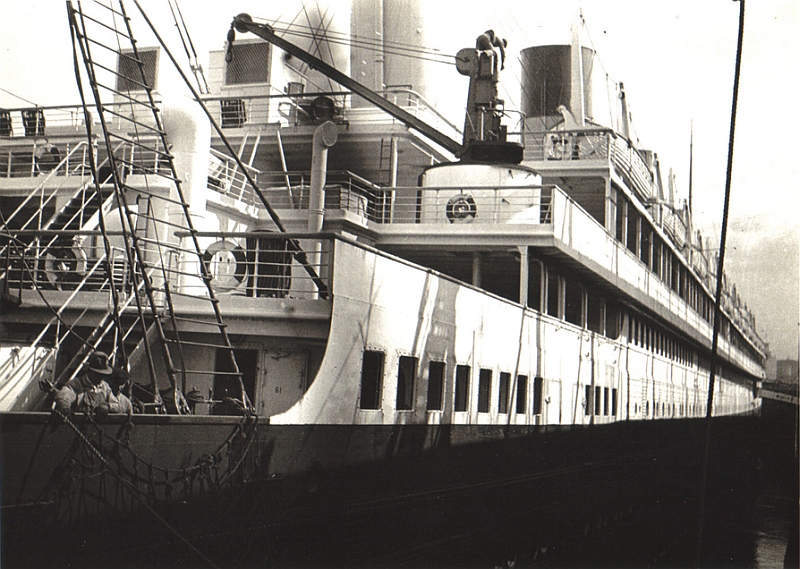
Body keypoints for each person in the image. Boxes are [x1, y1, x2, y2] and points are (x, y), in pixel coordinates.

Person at [55, 351, 132, 418]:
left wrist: (107, 407)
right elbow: (65, 394)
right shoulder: (76, 384)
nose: (100, 378)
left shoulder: (105, 387)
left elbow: (118, 405)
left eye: (103, 375)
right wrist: (64, 405)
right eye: (98, 374)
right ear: (90, 371)